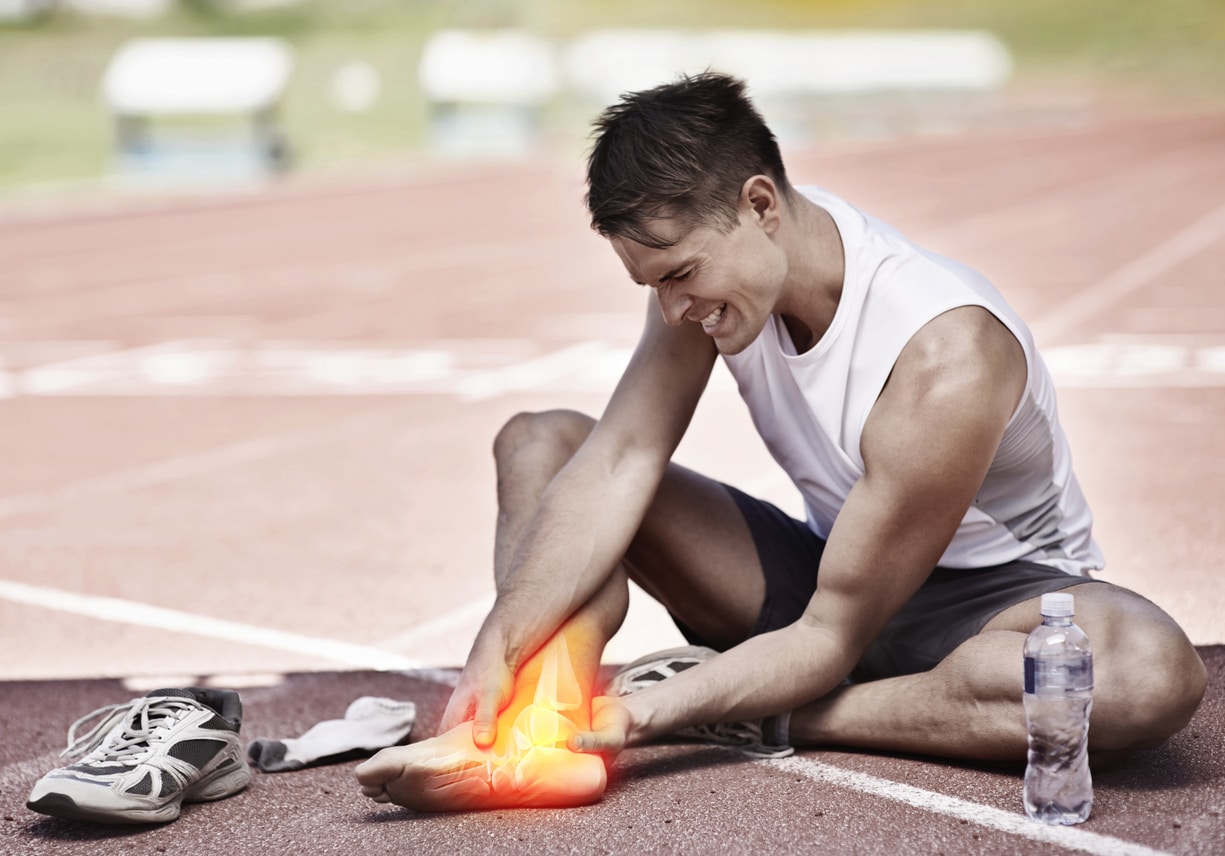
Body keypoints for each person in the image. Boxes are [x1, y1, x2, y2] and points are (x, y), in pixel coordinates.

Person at [356, 72, 1206, 810]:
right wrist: (492, 658)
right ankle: (533, 732)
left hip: (987, 602)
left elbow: (831, 636)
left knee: (1143, 677)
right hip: (825, 568)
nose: (672, 310)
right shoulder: (717, 278)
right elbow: (616, 460)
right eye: (652, 285)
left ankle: (773, 709)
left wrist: (651, 712)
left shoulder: (943, 356)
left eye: (680, 275)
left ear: (759, 204)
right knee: (538, 443)